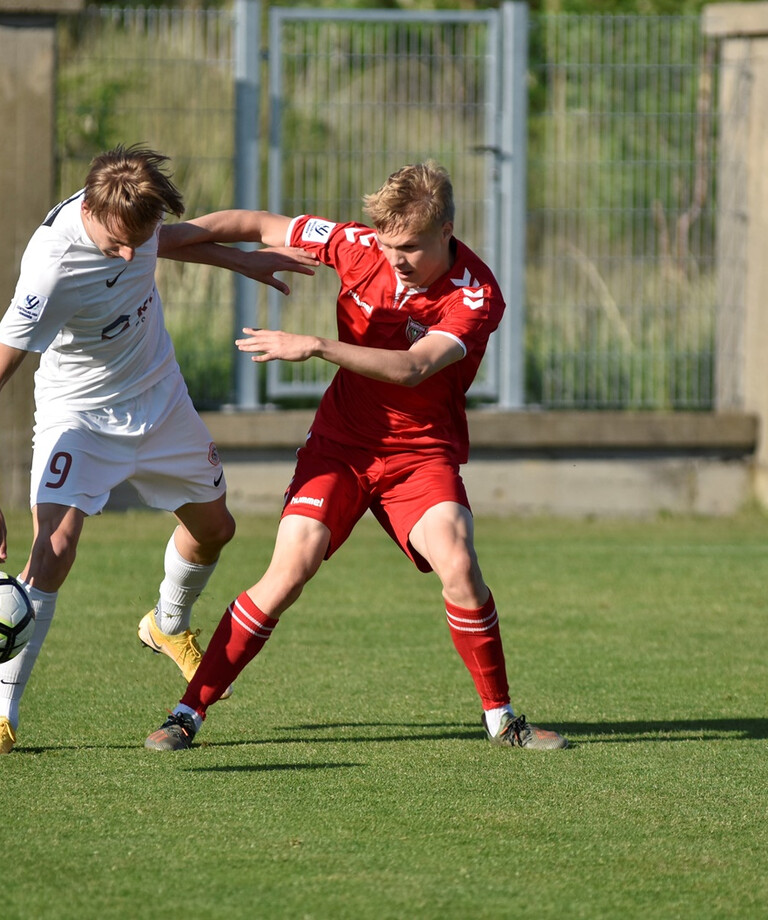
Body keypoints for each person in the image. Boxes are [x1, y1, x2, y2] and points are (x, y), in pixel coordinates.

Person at [145, 161, 568, 753]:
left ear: (448, 228)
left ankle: (501, 719)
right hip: (341, 447)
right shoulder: (358, 245)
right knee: (289, 571)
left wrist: (316, 345)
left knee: (459, 561)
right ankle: (186, 714)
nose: (395, 258)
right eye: (389, 243)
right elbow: (256, 223)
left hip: (420, 455)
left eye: (412, 247)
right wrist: (147, 238)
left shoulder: (475, 292)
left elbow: (413, 368)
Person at [0, 144, 318, 754]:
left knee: (215, 527)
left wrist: (240, 262)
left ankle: (167, 625)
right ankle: (5, 709)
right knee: (54, 549)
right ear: (91, 209)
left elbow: (164, 242)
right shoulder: (50, 267)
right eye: (117, 243)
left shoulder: (133, 220)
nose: (128, 254)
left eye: (136, 242)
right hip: (81, 413)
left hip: (159, 396)